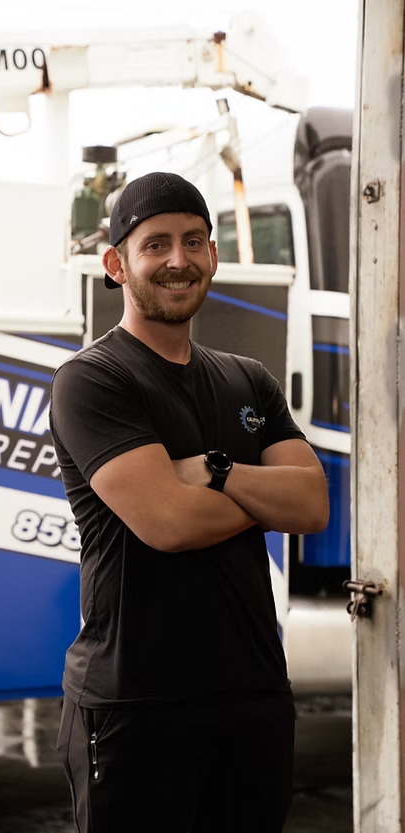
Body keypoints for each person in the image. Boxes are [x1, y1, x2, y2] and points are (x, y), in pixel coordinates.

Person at [49, 171, 329, 833]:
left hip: (253, 698)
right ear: (116, 263)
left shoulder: (246, 378)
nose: (179, 260)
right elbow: (169, 522)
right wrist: (263, 495)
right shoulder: (92, 380)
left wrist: (214, 468)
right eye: (157, 244)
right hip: (136, 706)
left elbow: (312, 504)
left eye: (194, 241)